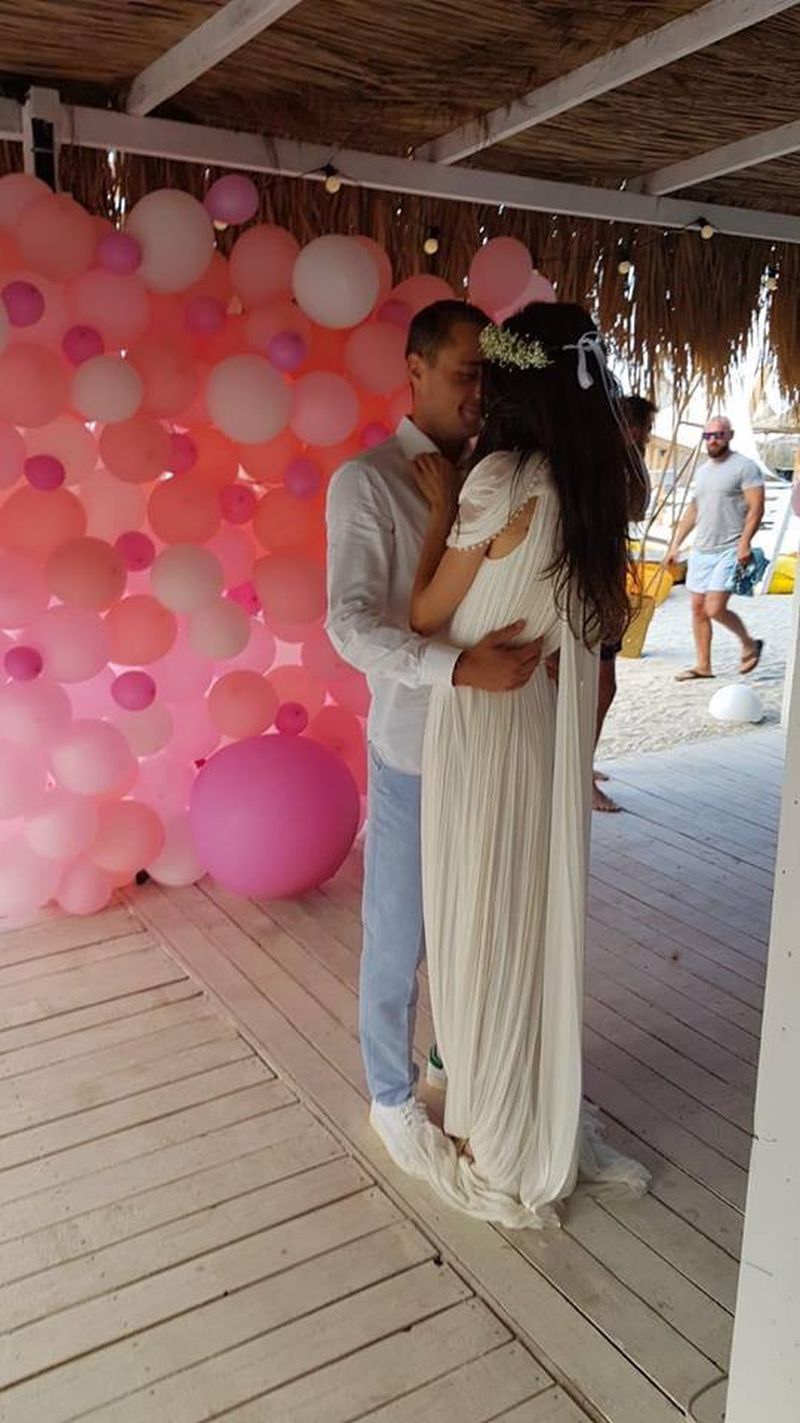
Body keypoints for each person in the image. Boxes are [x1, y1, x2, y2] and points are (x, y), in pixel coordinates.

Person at [408, 303, 650, 1226]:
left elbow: (426, 614)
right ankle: (509, 1101)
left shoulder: (500, 480)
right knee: (515, 914)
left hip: (478, 719)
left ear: (517, 381)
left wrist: (440, 510)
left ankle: (491, 1128)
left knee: (473, 920)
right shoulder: (595, 490)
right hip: (534, 722)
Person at [325, 300, 544, 1178]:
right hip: (417, 743)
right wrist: (456, 669)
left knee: (477, 917)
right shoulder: (369, 481)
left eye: (489, 375)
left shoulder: (502, 471)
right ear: (414, 370)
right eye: (464, 373)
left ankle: (458, 1070)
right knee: (400, 930)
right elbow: (349, 626)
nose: (478, 392)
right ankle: (389, 1094)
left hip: (494, 744)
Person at [593, 393, 656, 812]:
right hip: (596, 586)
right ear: (632, 428)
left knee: (600, 684)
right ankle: (579, 771)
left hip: (604, 583)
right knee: (600, 685)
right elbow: (637, 506)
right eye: (645, 430)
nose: (648, 437)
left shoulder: (607, 462)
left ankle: (581, 762)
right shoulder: (608, 466)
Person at [666, 415, 765, 681]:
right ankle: (703, 666)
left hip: (730, 548)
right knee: (698, 608)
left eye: (719, 434)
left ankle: (749, 643)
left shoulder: (745, 467)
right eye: (708, 436)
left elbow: (756, 508)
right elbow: (694, 509)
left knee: (714, 608)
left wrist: (745, 542)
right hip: (701, 550)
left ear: (730, 435)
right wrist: (675, 544)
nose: (713, 440)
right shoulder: (702, 471)